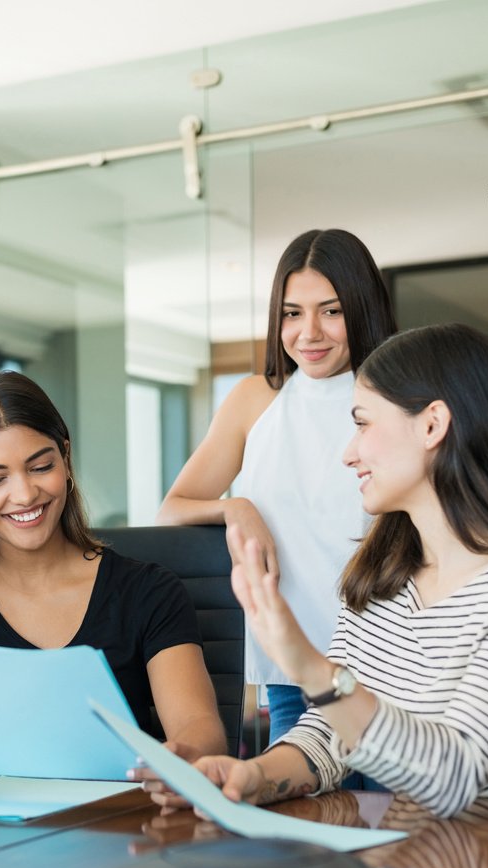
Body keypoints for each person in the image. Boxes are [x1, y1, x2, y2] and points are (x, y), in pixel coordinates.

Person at [144, 324, 488, 818]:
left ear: (431, 425)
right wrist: (252, 776)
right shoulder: (384, 573)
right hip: (424, 854)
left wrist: (306, 663)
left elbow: (454, 775)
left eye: (362, 424)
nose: (348, 453)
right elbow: (330, 734)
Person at [0, 370, 227, 797]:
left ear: (66, 460)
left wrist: (184, 760)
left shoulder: (148, 591)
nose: (25, 494)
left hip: (119, 827)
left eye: (41, 466)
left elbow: (200, 727)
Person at [157, 229, 397, 745]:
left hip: (388, 660)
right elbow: (171, 510)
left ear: (361, 307)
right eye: (292, 313)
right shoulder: (254, 399)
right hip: (291, 665)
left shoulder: (397, 396)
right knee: (297, 814)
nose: (309, 332)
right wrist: (235, 507)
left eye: (331, 311)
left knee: (393, 816)